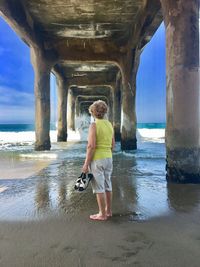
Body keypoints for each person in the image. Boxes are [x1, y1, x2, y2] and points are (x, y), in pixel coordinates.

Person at [82, 100, 115, 221]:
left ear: (93, 113)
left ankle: (102, 214)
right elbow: (112, 145)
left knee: (99, 188)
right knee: (107, 185)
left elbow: (91, 146)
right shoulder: (109, 124)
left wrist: (86, 164)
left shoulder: (94, 125)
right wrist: (107, 154)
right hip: (108, 158)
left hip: (97, 159)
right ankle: (109, 211)